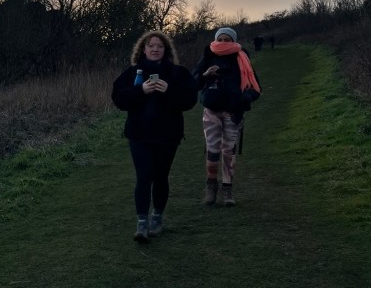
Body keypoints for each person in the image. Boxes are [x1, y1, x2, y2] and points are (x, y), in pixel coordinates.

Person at [112, 31, 198, 243]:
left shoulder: (177, 73)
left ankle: (157, 217)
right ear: (143, 49)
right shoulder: (133, 73)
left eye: (159, 46)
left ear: (166, 50)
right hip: (139, 135)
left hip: (168, 136)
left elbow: (190, 100)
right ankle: (142, 223)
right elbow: (119, 99)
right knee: (143, 177)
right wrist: (141, 90)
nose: (155, 49)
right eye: (151, 46)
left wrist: (169, 90)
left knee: (160, 177)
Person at [192, 27, 262, 206]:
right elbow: (193, 83)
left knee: (229, 151)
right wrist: (205, 75)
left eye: (227, 39)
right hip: (211, 111)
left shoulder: (242, 57)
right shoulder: (208, 56)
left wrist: (243, 99)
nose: (223, 43)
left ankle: (227, 189)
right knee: (212, 150)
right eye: (220, 39)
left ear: (233, 41)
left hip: (233, 112)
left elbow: (256, 88)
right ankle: (211, 187)